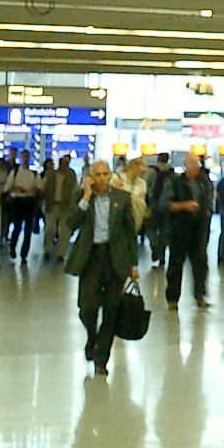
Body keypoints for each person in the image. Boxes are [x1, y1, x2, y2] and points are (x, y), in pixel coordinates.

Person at [64, 161, 140, 377]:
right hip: (91, 257)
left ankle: (101, 359)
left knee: (111, 309)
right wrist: (86, 198)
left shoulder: (122, 198)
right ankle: (92, 336)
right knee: (87, 307)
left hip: (115, 258)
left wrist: (133, 265)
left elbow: (130, 233)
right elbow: (70, 222)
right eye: (98, 175)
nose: (102, 179)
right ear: (91, 177)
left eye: (106, 174)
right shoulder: (82, 196)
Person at [159, 153, 213, 311]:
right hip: (179, 229)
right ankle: (173, 298)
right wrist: (184, 206)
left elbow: (208, 200)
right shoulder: (174, 182)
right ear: (186, 164)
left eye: (198, 163)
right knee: (176, 264)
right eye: (194, 163)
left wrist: (207, 211)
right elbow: (164, 204)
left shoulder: (203, 183)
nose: (197, 167)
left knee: (200, 263)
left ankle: (200, 295)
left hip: (198, 229)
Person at [5, 150, 43, 261]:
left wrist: (35, 190)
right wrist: (16, 188)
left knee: (28, 229)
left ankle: (24, 254)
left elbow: (40, 187)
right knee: (17, 226)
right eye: (24, 157)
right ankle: (13, 247)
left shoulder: (34, 173)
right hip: (17, 200)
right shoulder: (15, 172)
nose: (26, 159)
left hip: (29, 201)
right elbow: (7, 187)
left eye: (27, 157)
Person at [41, 153, 79, 263]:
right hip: (52, 204)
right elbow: (44, 187)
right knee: (50, 229)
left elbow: (75, 190)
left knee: (65, 232)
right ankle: (47, 249)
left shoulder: (71, 175)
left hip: (66, 206)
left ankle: (61, 253)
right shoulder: (51, 175)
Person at [146, 152, 174, 269]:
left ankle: (155, 245)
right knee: (164, 230)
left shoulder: (152, 171)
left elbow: (145, 186)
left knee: (150, 227)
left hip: (154, 203)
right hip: (167, 205)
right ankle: (162, 257)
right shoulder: (171, 172)